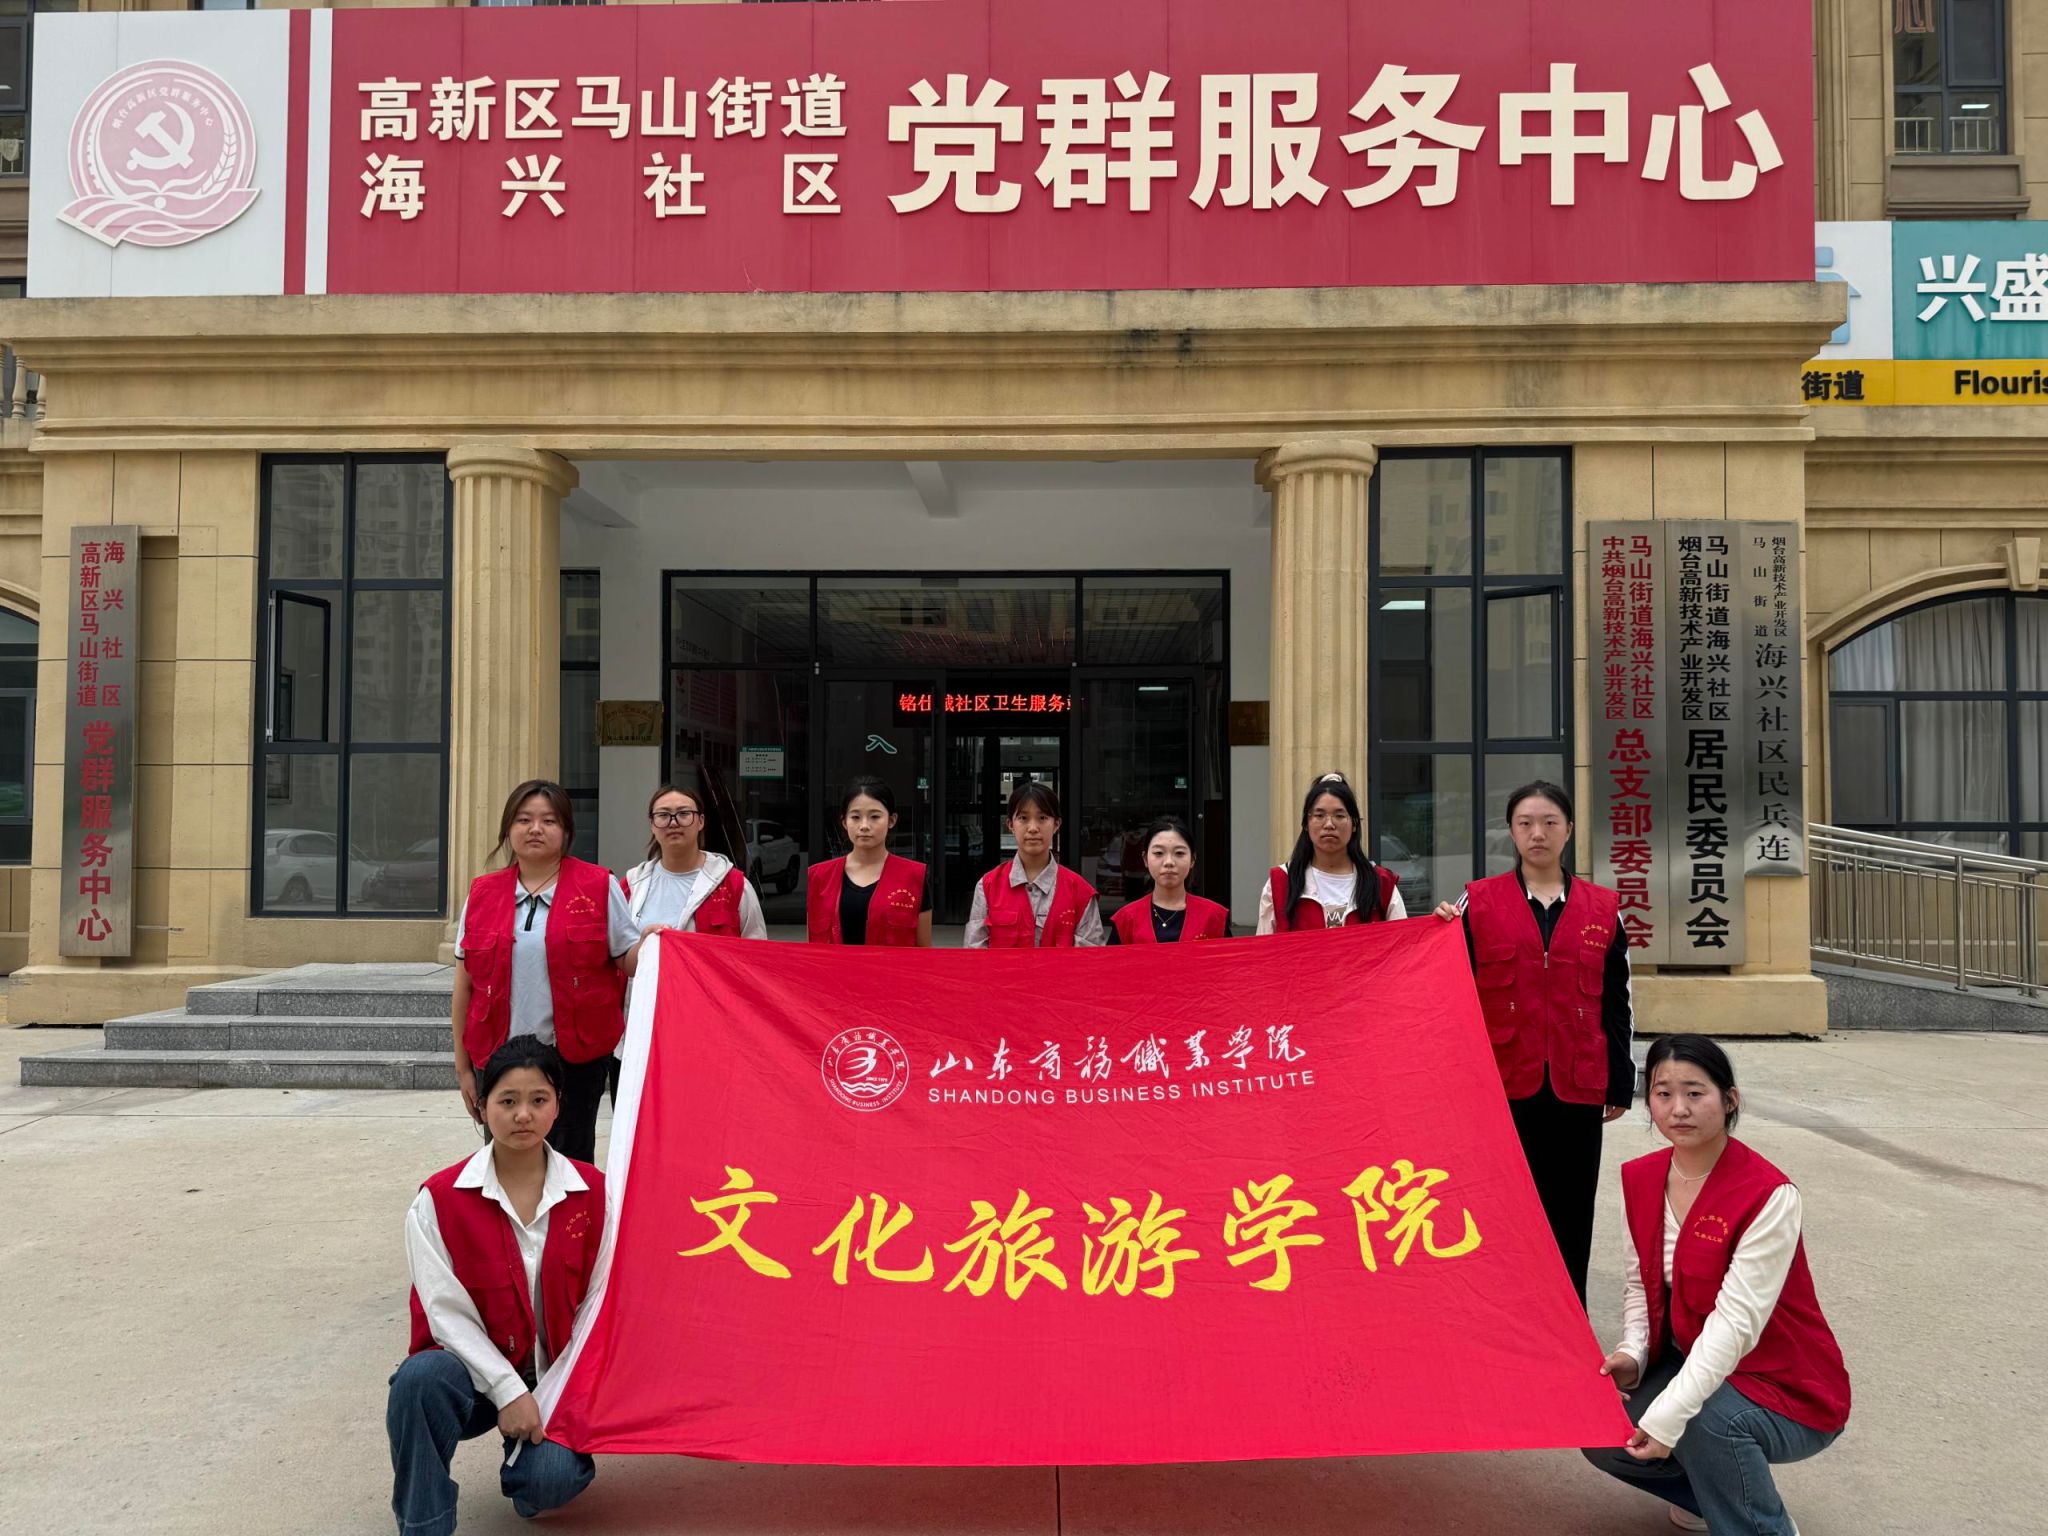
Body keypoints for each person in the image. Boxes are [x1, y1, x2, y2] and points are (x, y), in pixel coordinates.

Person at [1583, 1035, 1850, 1536]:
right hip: (1693, 1361)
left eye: (1695, 1093)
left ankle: (1762, 1526)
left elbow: (1735, 1324)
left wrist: (1667, 1418)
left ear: (1729, 1100)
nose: (1678, 1109)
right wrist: (1634, 1354)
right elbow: (1640, 1283)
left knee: (1706, 1421)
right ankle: (1714, 1497)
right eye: (1663, 1094)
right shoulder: (1641, 1179)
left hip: (1785, 1383)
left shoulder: (1768, 1194)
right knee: (1602, 1426)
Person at [387, 1036, 604, 1536]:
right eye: (507, 1101)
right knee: (418, 1382)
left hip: (553, 1378)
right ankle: (424, 1524)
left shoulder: (594, 1193)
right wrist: (507, 1391)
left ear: (557, 1106)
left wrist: (551, 1393)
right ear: (482, 1108)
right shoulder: (438, 1200)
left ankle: (527, 1468)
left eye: (538, 1099)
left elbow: (598, 1304)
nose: (523, 1115)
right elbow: (445, 1314)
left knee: (551, 1479)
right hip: (467, 1377)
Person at [1431, 779, 1632, 1305]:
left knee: (1572, 1210)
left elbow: (1618, 1001)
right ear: (1511, 832)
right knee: (1504, 1207)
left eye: (1549, 823)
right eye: (1525, 823)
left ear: (1569, 830)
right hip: (1502, 1083)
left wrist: (1619, 1081)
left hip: (1576, 1082)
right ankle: (1510, 1317)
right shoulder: (1477, 901)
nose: (1537, 833)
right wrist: (1437, 930)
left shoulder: (1603, 908)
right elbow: (1445, 984)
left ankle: (1570, 1318)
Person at [450, 780, 640, 1165]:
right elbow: (464, 986)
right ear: (508, 829)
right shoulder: (482, 893)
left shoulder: (598, 886)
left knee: (569, 1163)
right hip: (499, 1055)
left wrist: (656, 944)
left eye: (548, 820)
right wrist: (463, 1067)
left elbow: (629, 960)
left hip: (574, 1057)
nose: (535, 829)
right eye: (524, 820)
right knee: (506, 1160)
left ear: (566, 830)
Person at [1255, 771, 1404, 933]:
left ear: (1354, 824)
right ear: (1306, 824)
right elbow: (1263, 946)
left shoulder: (1381, 884)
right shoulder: (1280, 884)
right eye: (1319, 815)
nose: (1329, 824)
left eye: (1339, 815)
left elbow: (1404, 943)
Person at [621, 782, 770, 942]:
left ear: (701, 821)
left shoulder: (734, 885)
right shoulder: (631, 885)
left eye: (684, 813)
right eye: (663, 815)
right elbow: (617, 950)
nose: (673, 823)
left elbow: (757, 950)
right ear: (652, 824)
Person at [963, 781, 1105, 948]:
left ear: (1056, 824)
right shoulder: (988, 886)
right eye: (1023, 818)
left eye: (1042, 818)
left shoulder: (1080, 893)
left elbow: (1090, 959)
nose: (1032, 828)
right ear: (1010, 825)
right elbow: (974, 953)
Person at [807, 775, 933, 946]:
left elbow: (924, 951)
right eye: (855, 817)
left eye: (874, 817)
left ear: (891, 820)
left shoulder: (914, 876)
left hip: (889, 965)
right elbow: (811, 950)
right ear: (844, 822)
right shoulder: (819, 877)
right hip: (834, 965)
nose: (864, 826)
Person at [1107, 815, 1231, 943]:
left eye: (1179, 853)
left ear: (1192, 860)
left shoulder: (1214, 917)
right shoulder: (1126, 919)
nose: (1169, 862)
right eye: (1159, 853)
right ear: (1145, 859)